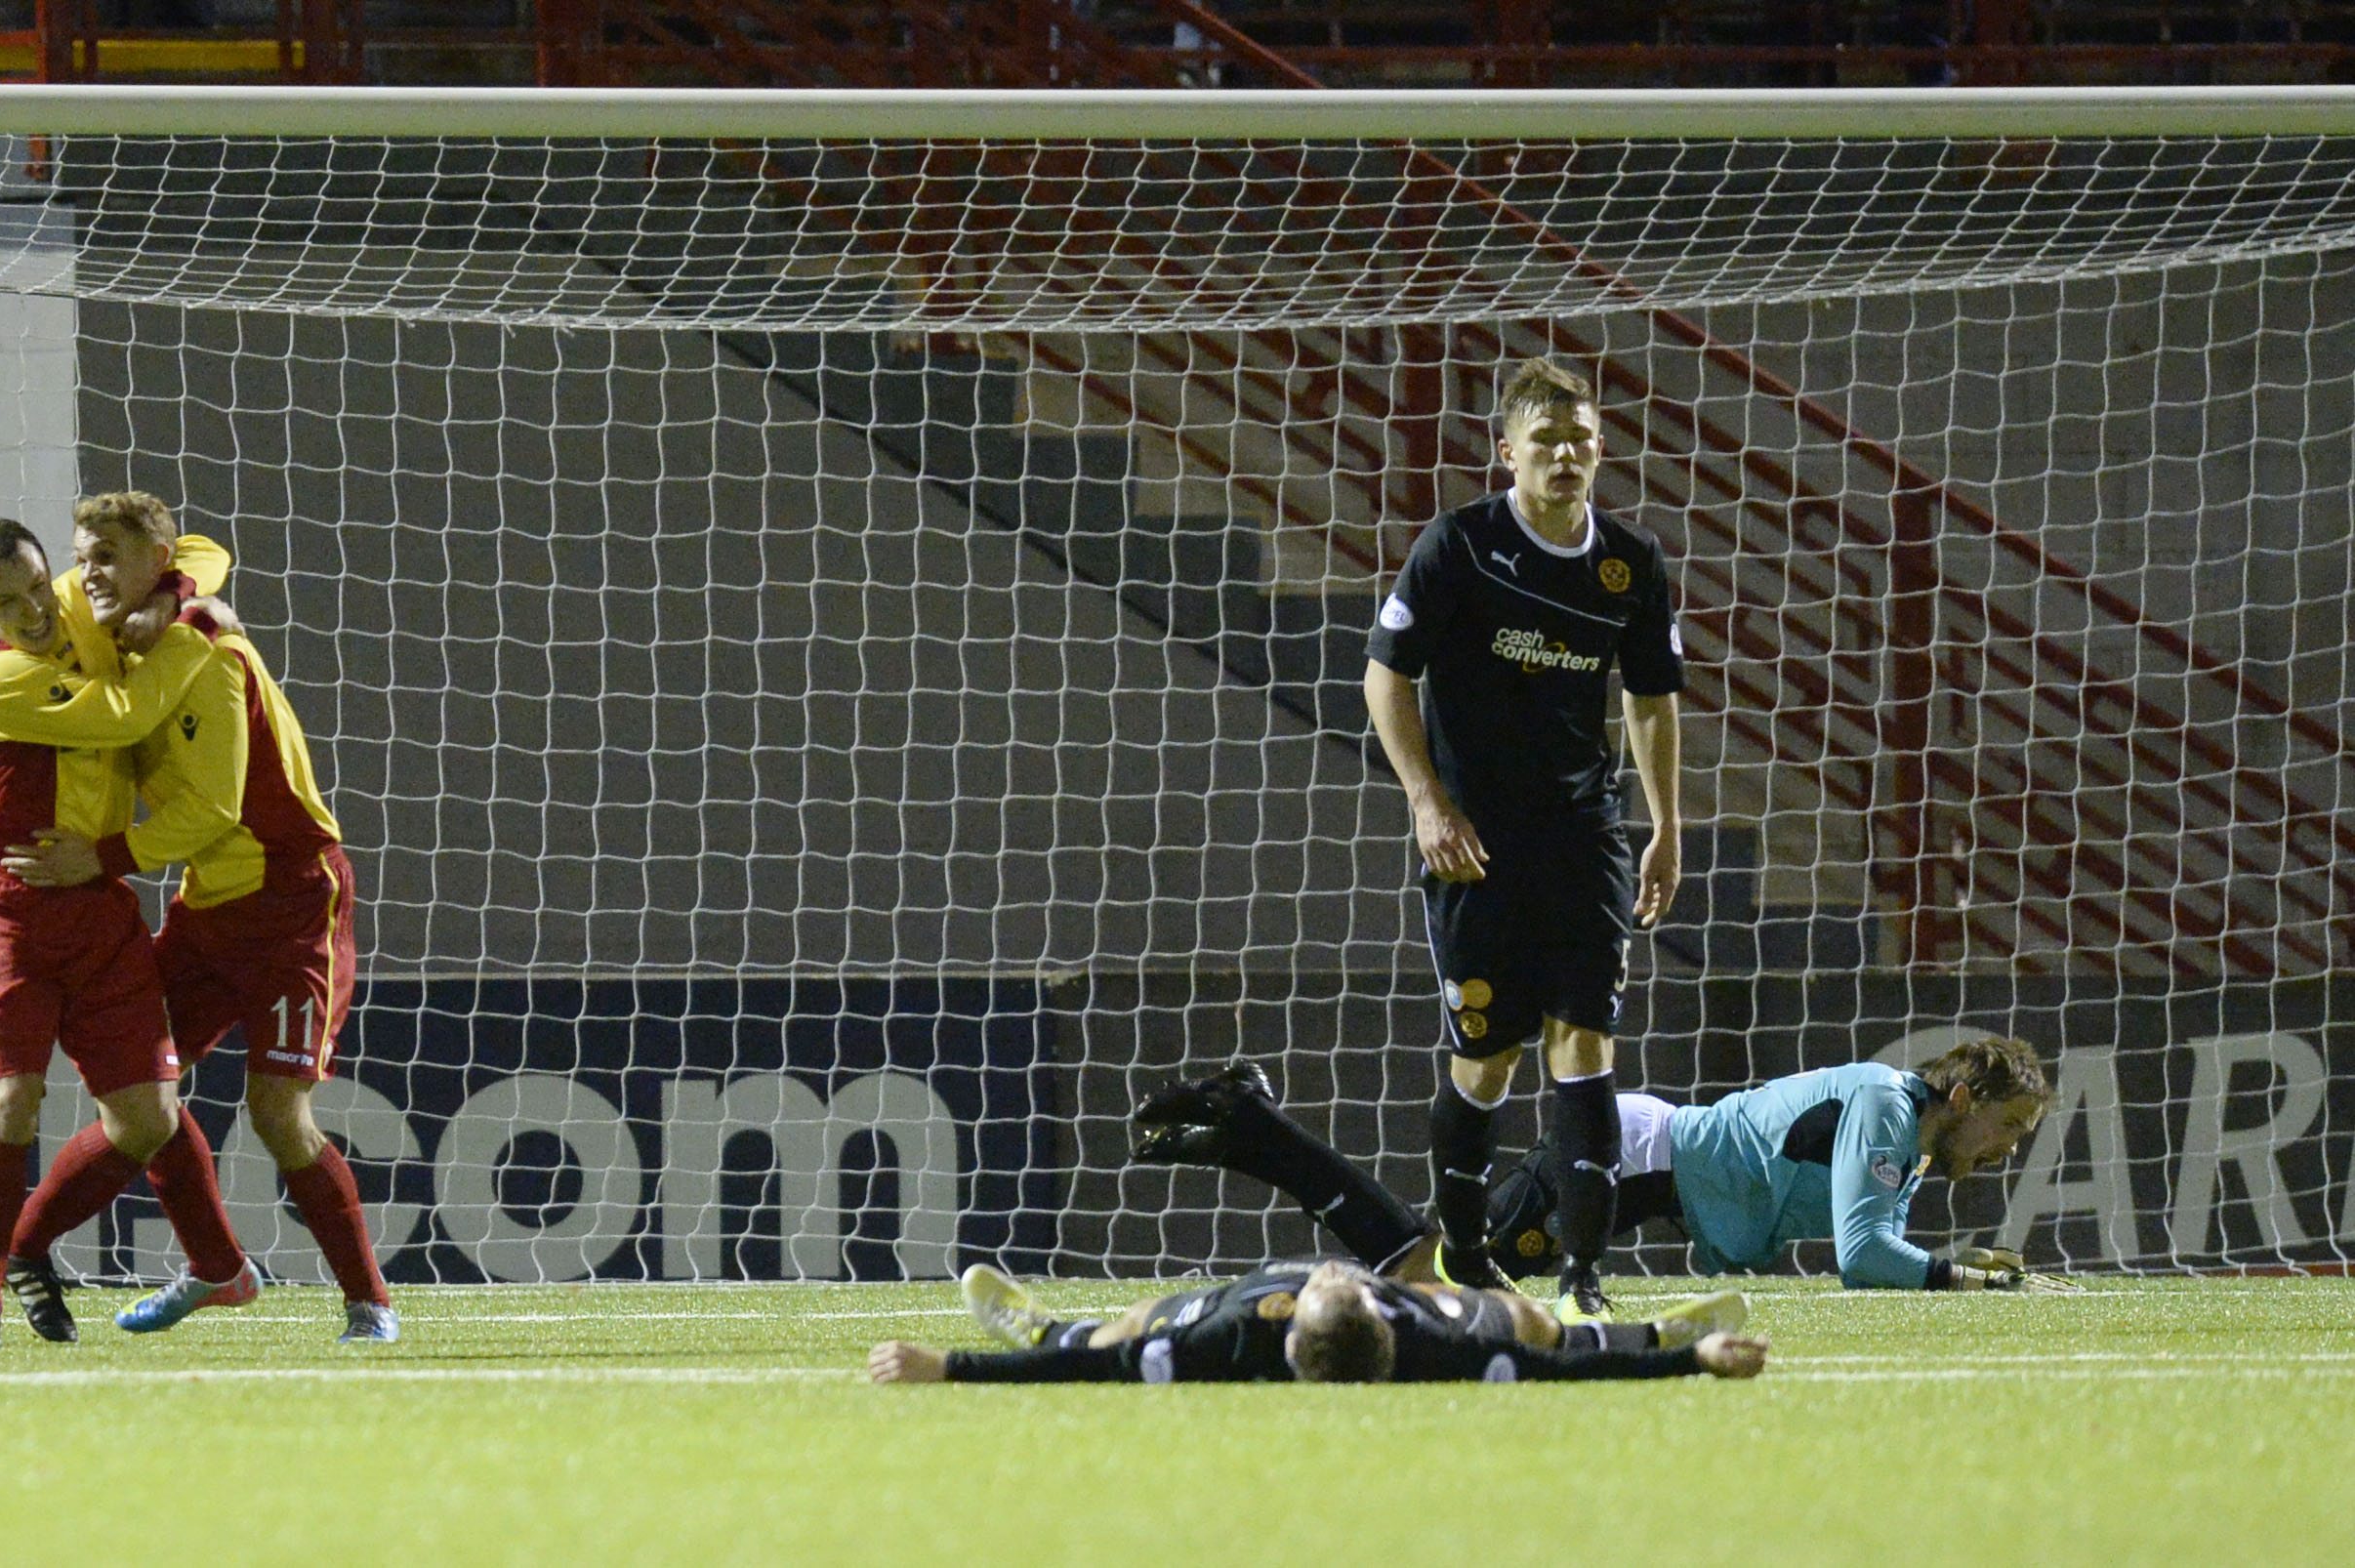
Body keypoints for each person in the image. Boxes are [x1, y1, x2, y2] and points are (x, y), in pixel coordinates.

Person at [0, 493, 395, 1341]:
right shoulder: (111, 621)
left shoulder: (208, 652)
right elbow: (5, 611)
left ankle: (369, 1304)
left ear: (156, 565)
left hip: (291, 901)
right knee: (143, 1085)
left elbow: (209, 810)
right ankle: (213, 1269)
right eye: (81, 554)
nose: (84, 572)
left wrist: (102, 858)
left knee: (278, 1115)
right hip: (207, 906)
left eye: (106, 556)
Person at [1362, 356, 1686, 1318]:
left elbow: (1653, 702)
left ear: (1600, 449)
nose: (1566, 455)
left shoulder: (1630, 562)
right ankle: (1462, 1252)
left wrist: (1667, 826)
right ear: (1505, 453)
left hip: (1583, 836)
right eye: (1545, 441)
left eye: (1580, 439)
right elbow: (1386, 677)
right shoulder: (1458, 546)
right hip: (1474, 843)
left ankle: (1584, 1274)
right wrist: (1425, 802)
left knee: (1585, 1044)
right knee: (1487, 1056)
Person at [0, 516, 257, 1346]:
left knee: (149, 1119)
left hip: (100, 903)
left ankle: (31, 1251)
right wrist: (191, 633)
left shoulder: (79, 599)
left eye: (38, 585)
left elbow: (201, 551)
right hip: (13, 907)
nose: (34, 610)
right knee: (12, 1101)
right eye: (6, 603)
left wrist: (176, 595)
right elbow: (121, 718)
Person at [1134, 1036, 2073, 1293]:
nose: (2007, 1149)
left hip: (1644, 1171)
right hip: (1626, 1158)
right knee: (1438, 1278)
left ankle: (1249, 1130)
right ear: (1961, 1097)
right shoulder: (1880, 1102)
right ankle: (1250, 1119)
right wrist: (1961, 1278)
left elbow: (1878, 1260)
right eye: (2008, 1126)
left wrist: (1954, 1267)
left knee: (1433, 1273)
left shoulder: (1903, 1149)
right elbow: (1866, 1258)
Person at [867, 1260, 1765, 1385]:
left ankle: (1041, 1325)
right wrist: (1689, 1358)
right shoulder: (1431, 1346)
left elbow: (1095, 1379)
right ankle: (1646, 1326)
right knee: (1528, 1327)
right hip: (1407, 1306)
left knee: (1120, 1337)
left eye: (1328, 1282)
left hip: (1237, 1302)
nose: (1328, 1265)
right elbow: (1562, 1378)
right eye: (1349, 1282)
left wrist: (951, 1367)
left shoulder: (1224, 1338)